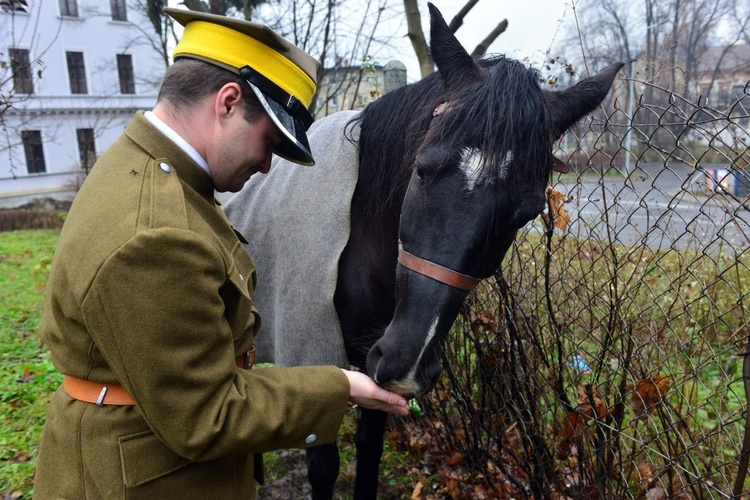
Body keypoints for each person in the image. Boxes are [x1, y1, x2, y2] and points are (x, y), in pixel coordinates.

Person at [33, 7, 408, 498]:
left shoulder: (143, 167)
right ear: (228, 103)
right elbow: (207, 414)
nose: (268, 166)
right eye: (269, 142)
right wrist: (342, 386)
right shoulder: (155, 233)